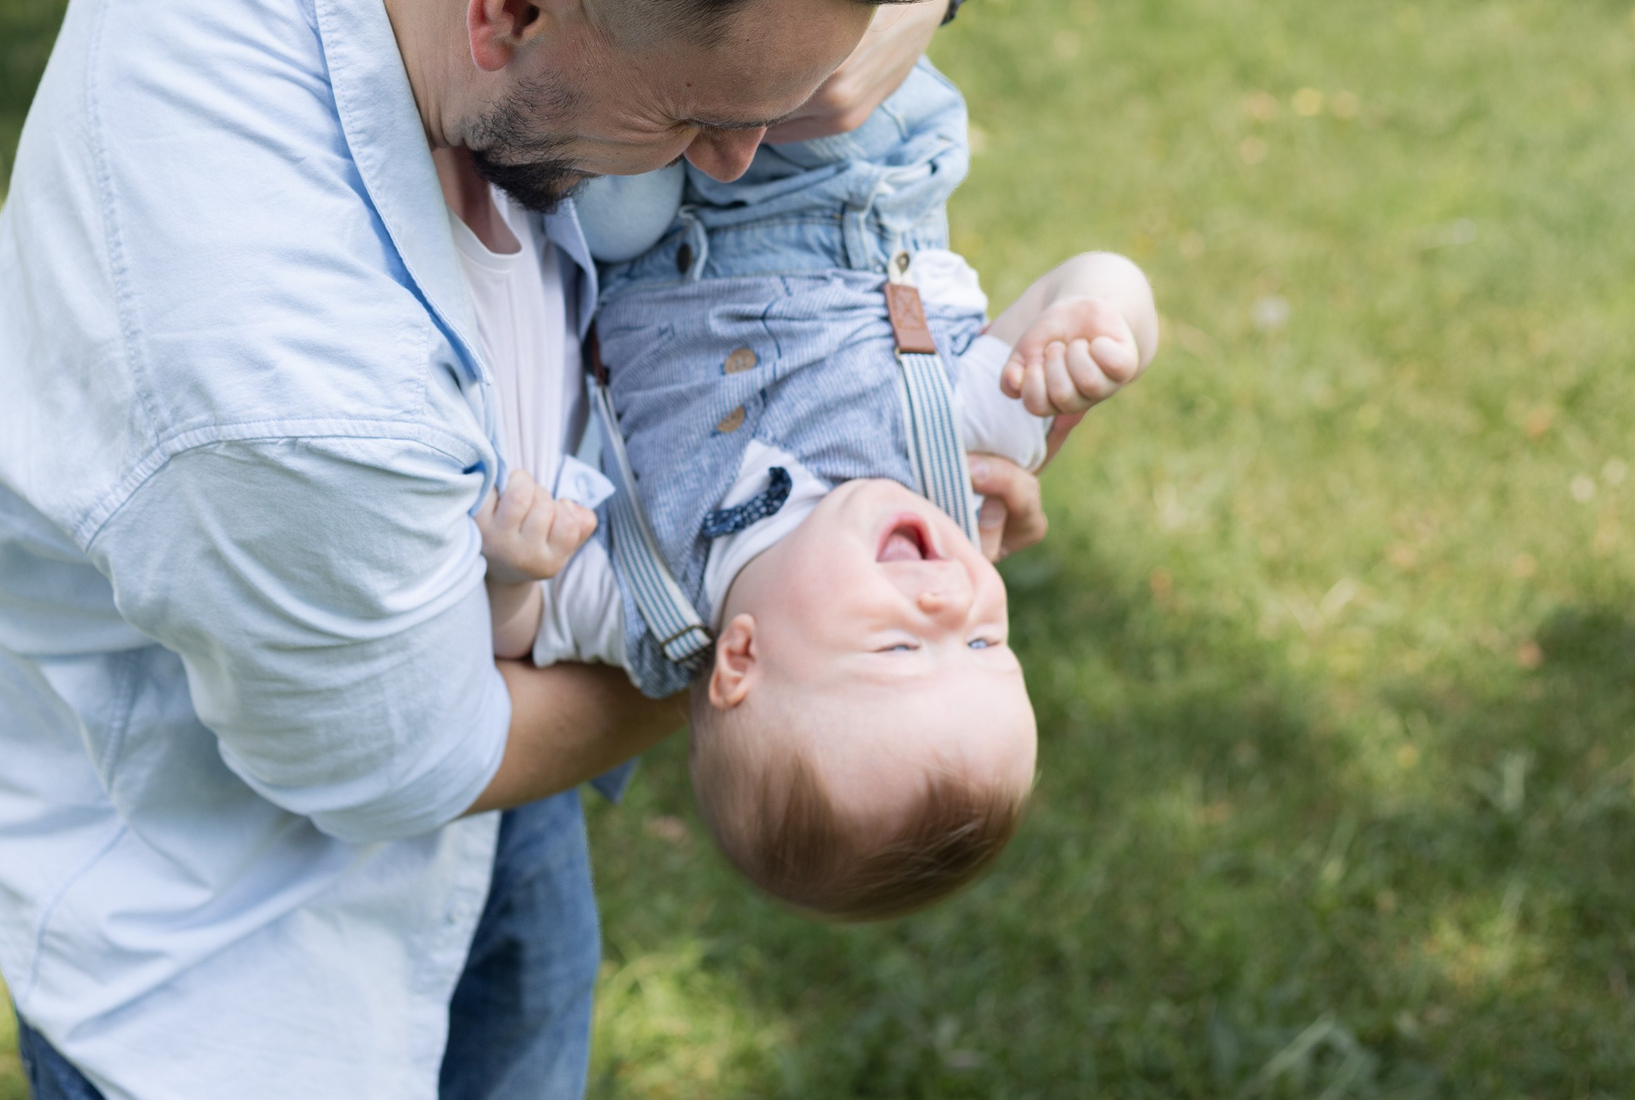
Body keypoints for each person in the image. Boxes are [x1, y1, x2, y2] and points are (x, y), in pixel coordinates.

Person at [0, 0, 1042, 1100]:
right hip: (260, 960)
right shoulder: (288, 385)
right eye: (705, 115)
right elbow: (409, 755)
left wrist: (900, 20)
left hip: (483, 753)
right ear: (517, 4)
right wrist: (784, 613)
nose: (738, 160)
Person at [472, 61, 1156, 919]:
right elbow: (1098, 274)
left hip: (643, 231)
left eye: (901, 648)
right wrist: (1094, 314)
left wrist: (513, 570)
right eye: (988, 644)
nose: (950, 601)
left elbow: (521, 631)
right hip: (838, 162)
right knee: (758, 37)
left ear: (741, 659)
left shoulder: (657, 608)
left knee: (604, 185)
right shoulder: (949, 453)